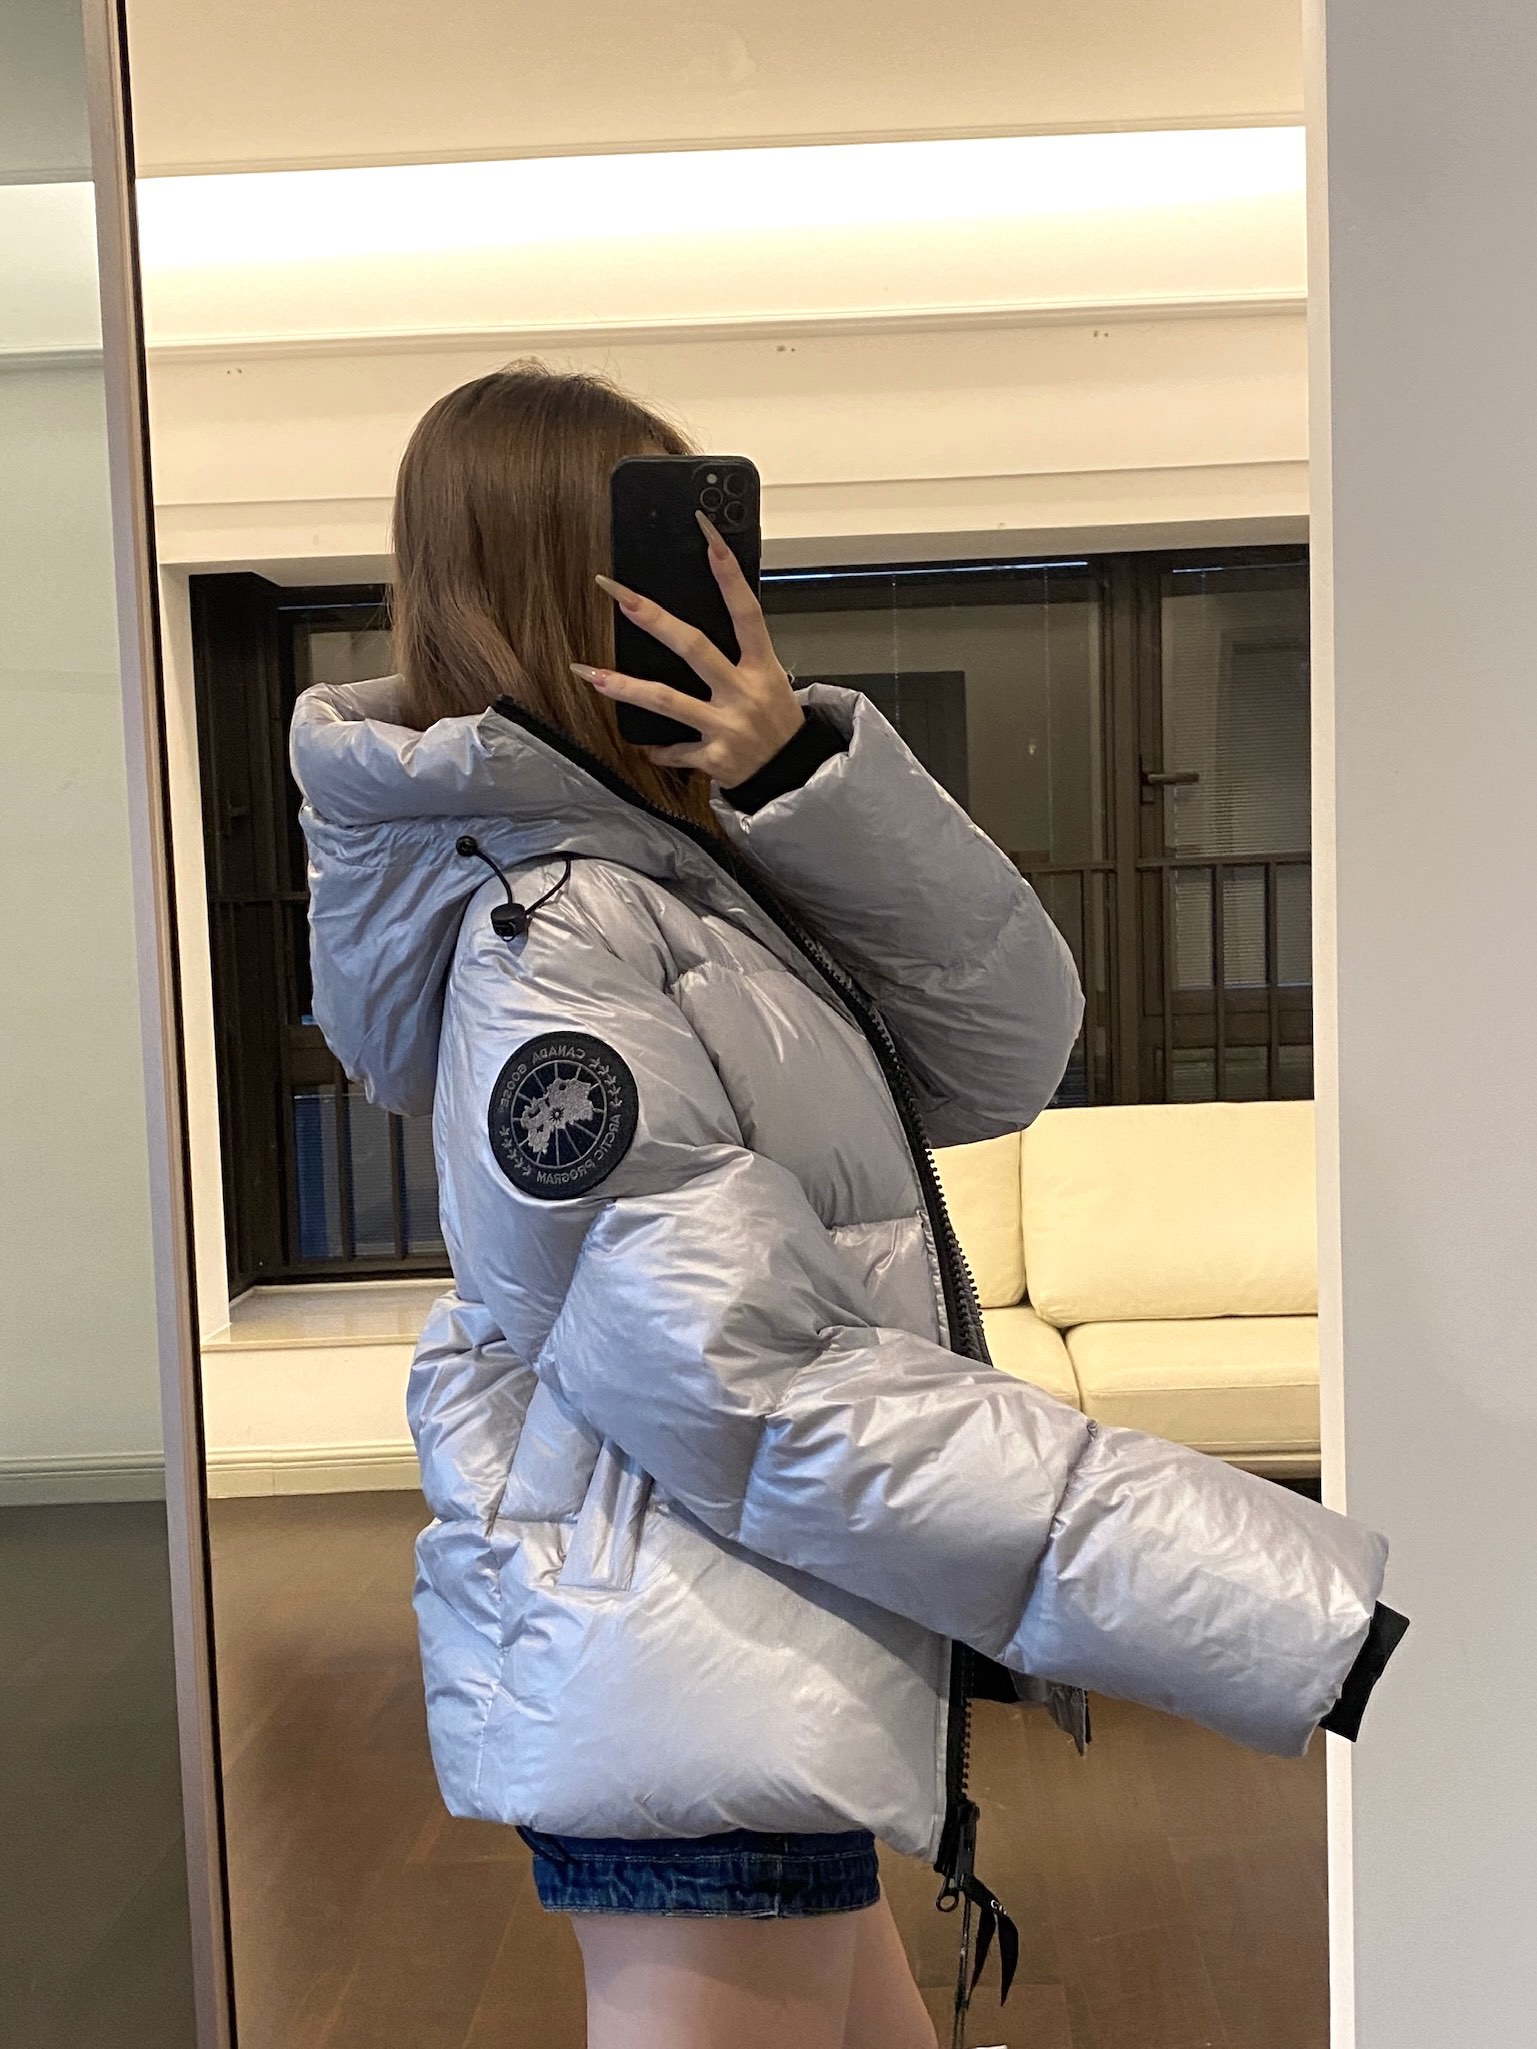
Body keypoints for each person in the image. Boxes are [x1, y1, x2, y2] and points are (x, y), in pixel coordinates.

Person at [290, 364, 1402, 2049]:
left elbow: (1000, 1048)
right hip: (686, 1677)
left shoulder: (679, 890)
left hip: (744, 1649)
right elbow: (751, 1379)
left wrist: (802, 771)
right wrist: (1252, 1594)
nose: (716, 598)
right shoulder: (555, 943)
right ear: (562, 595)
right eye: (664, 563)